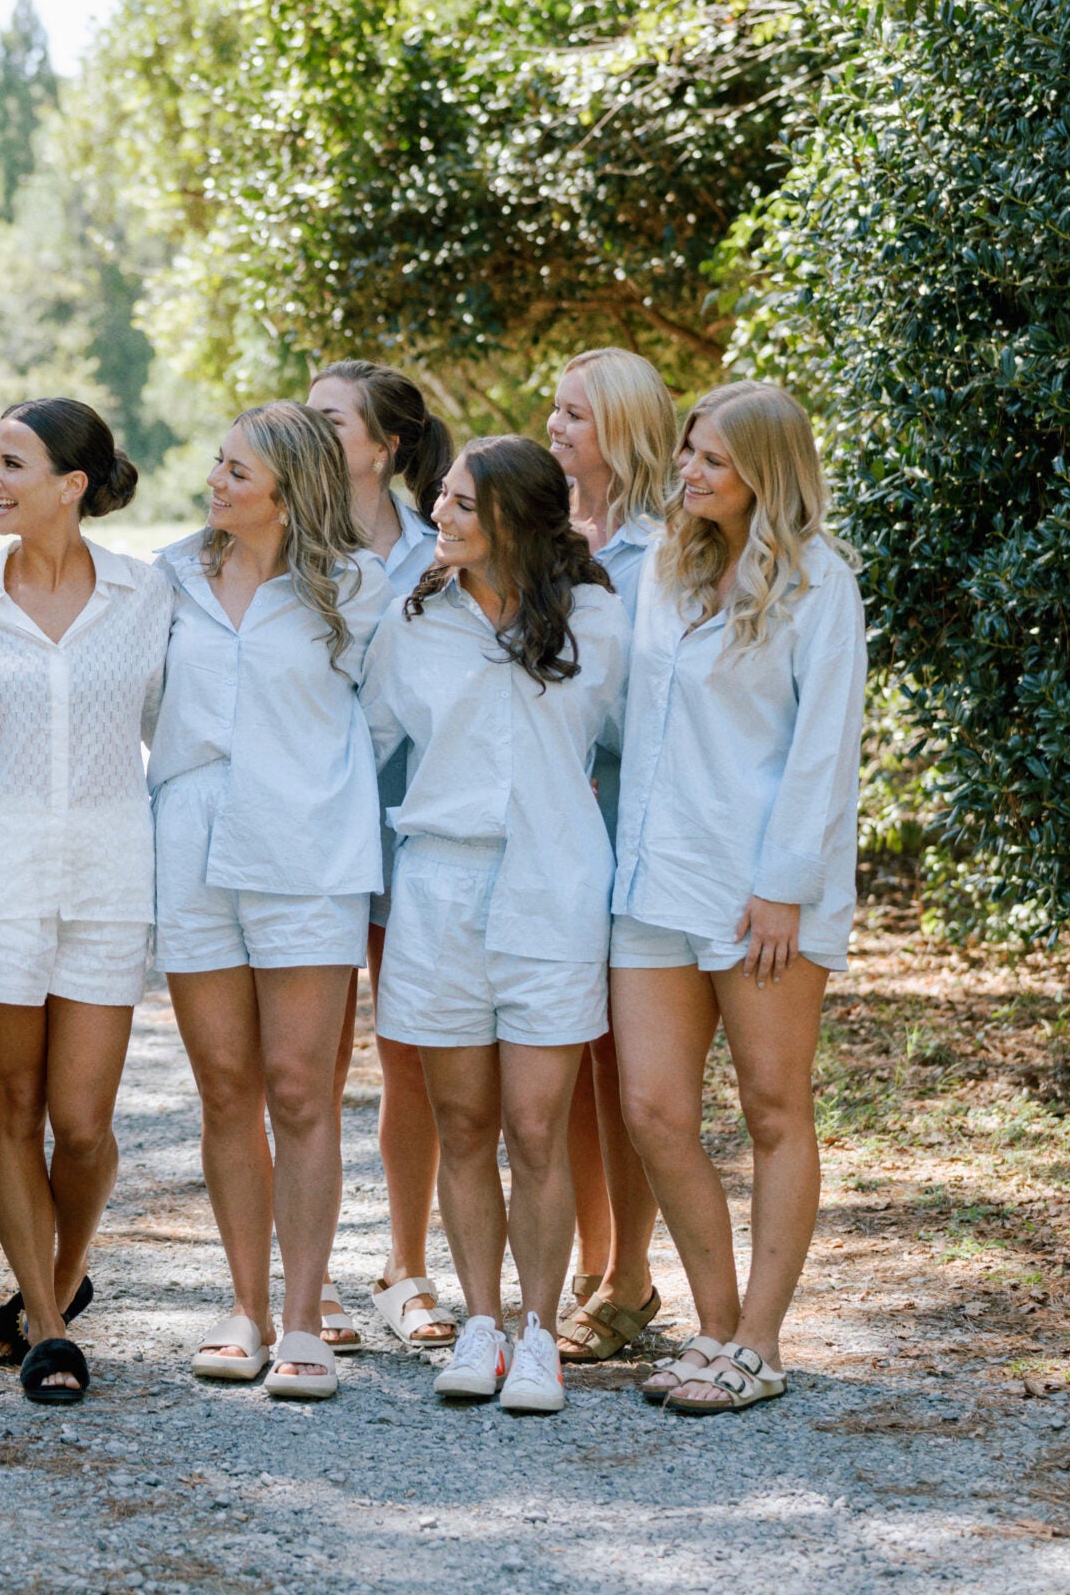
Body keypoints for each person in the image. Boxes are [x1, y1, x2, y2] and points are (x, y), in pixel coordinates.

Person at [610, 380, 866, 1416]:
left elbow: (825, 748)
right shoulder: (665, 571)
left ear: (766, 470)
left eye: (712, 459)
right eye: (688, 453)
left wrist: (782, 889)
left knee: (771, 1107)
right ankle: (713, 1327)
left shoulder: (820, 584)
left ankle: (759, 1344)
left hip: (762, 892)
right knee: (652, 1110)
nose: (689, 472)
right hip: (652, 883)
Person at [362, 436, 629, 1416]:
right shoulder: (415, 623)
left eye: (463, 504)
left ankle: (538, 1334)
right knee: (465, 1123)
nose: (440, 515)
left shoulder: (596, 619)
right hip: (439, 891)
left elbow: (638, 740)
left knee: (536, 1125)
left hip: (555, 889)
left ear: (517, 517)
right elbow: (359, 743)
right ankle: (481, 1322)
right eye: (442, 497)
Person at [0, 399, 171, 1405]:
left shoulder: (147, 596)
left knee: (84, 1123)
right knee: (16, 1106)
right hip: (1, 878)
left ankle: (57, 1282)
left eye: (11, 464)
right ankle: (51, 1329)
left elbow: (170, 727)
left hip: (110, 878)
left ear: (71, 485)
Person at [154, 402, 386, 1402]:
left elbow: (387, 718)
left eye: (236, 471)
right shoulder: (168, 577)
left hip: (308, 851)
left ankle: (303, 1319)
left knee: (299, 1088)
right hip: (189, 847)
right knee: (223, 1089)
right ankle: (244, 1307)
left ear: (290, 493)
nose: (215, 480)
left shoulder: (355, 588)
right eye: (218, 462)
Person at [304, 361, 456, 1353]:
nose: (308, 429)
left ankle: (406, 1269)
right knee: (308, 1061)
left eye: (330, 420)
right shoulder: (283, 541)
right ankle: (305, 1278)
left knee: (413, 1055)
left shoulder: (444, 549)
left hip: (414, 825)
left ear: (384, 446)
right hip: (313, 829)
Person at [543, 346, 679, 1363]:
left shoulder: (663, 553)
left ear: (624, 430)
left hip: (637, 824)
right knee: (576, 1051)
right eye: (553, 409)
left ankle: (632, 1273)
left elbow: (657, 706)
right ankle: (598, 1262)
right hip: (559, 829)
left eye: (575, 414)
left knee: (629, 1064)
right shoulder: (546, 535)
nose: (555, 427)